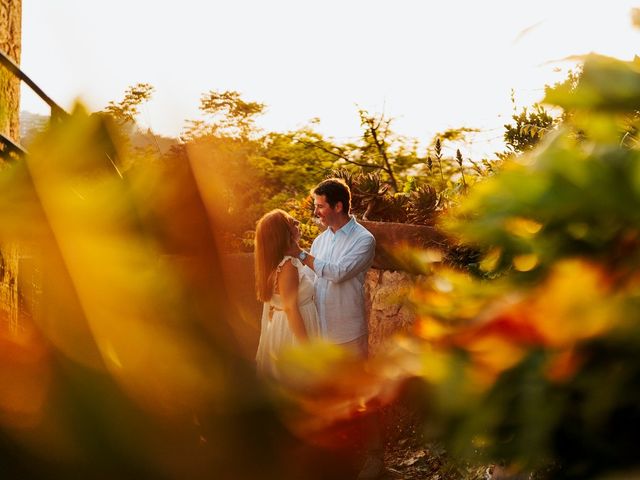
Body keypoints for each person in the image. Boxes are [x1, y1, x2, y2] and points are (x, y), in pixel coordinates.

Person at [288, 178, 385, 480]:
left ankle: (375, 458)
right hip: (322, 331)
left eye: (320, 206)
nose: (316, 212)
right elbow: (311, 280)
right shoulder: (321, 240)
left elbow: (339, 273)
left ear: (338, 206)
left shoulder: (363, 239)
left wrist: (300, 253)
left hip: (348, 331)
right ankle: (339, 459)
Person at [254, 209, 321, 379]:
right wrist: (308, 349)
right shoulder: (288, 265)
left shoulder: (275, 263)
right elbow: (291, 308)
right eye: (293, 223)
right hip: (294, 331)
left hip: (286, 325)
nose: (298, 225)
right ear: (283, 233)